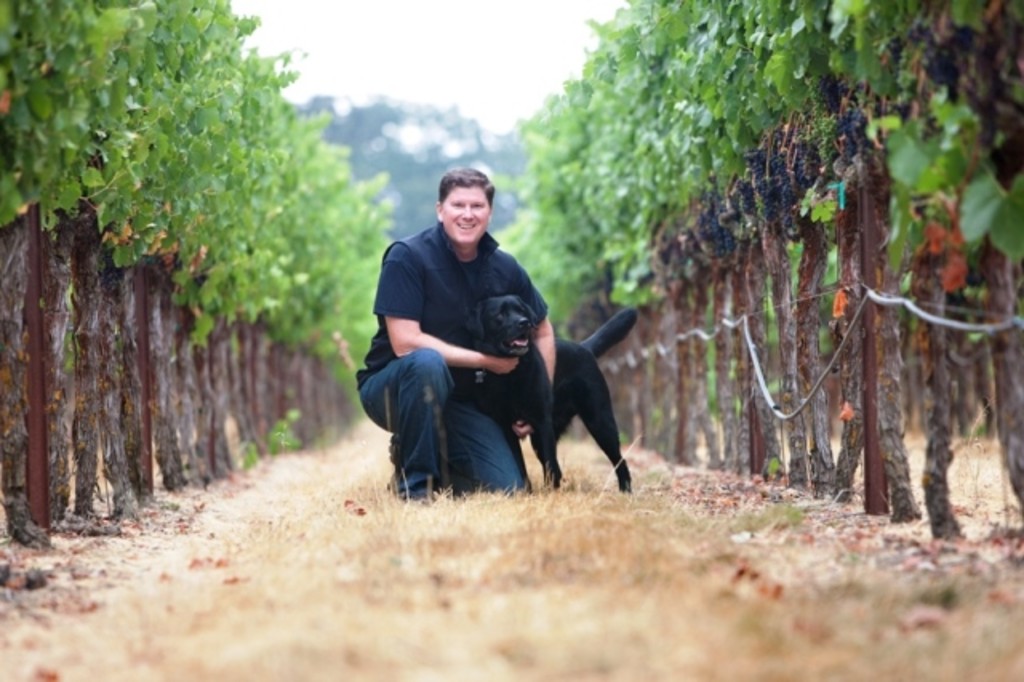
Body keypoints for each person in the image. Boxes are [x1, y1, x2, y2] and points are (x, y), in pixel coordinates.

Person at [356, 167, 555, 501]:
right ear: (440, 210)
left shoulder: (505, 267)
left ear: (489, 213)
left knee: (510, 489)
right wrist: (486, 362)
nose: (467, 214)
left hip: (462, 400)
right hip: (394, 388)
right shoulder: (407, 257)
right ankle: (416, 488)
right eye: (458, 205)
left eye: (477, 206)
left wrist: (541, 403)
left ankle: (423, 454)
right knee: (426, 363)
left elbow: (543, 331)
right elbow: (405, 343)